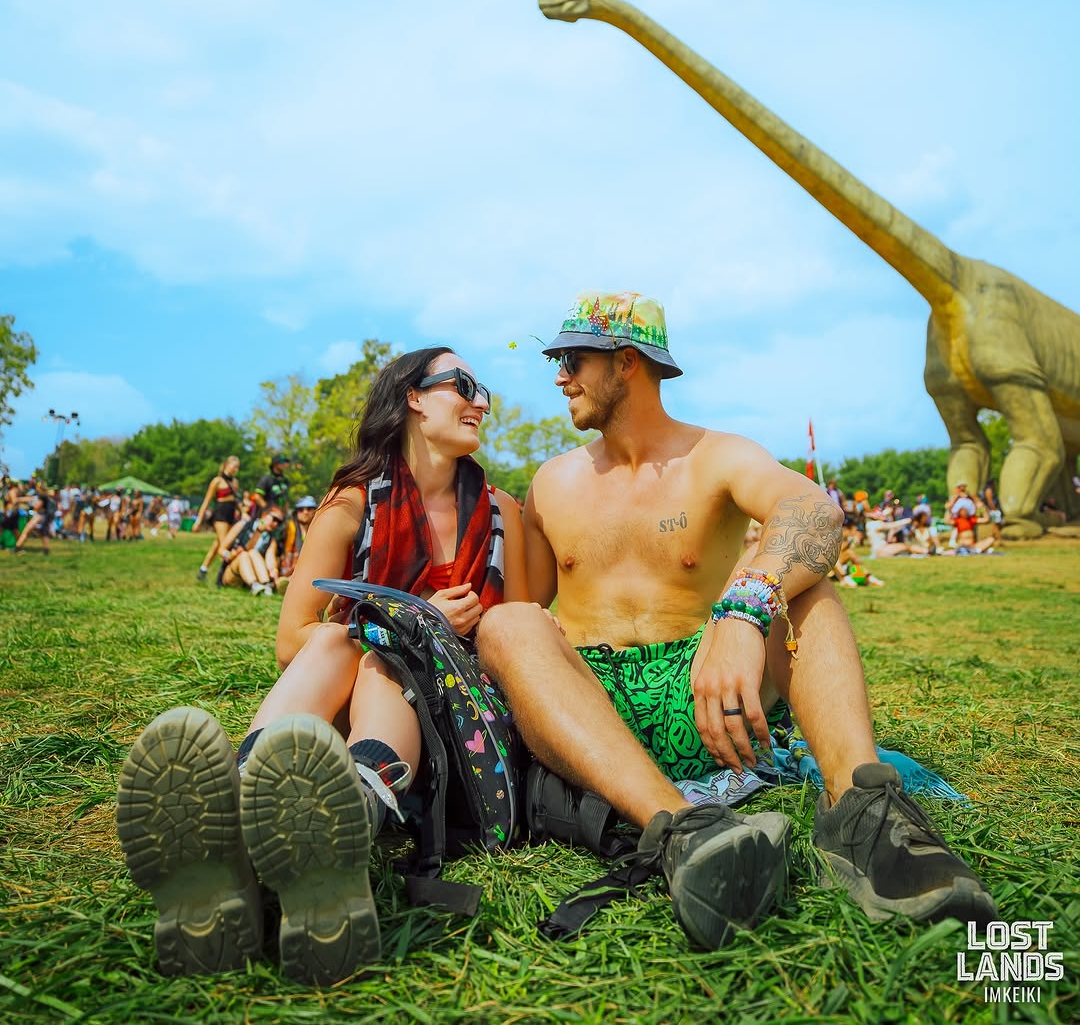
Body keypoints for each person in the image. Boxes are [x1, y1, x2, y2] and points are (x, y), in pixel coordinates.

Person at [476, 290, 996, 951]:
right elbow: (526, 617)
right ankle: (681, 829)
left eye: (572, 359)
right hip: (594, 721)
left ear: (627, 361)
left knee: (805, 586)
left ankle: (865, 817)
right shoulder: (551, 482)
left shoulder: (716, 456)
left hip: (712, 701)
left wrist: (742, 610)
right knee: (508, 625)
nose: (559, 376)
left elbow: (814, 511)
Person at [116, 347, 526, 984]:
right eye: (464, 385)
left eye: (483, 391)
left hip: (460, 725)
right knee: (338, 642)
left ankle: (332, 813)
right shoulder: (352, 502)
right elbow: (293, 638)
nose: (482, 402)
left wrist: (422, 633)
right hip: (350, 709)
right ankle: (247, 809)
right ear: (413, 398)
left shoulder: (503, 512)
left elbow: (515, 634)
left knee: (385, 662)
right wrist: (411, 617)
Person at [193, 456, 241, 581]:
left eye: (237, 467)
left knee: (218, 544)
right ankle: (222, 576)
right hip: (220, 514)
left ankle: (203, 569)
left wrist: (242, 512)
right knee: (225, 544)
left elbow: (235, 500)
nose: (236, 469)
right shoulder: (217, 481)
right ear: (226, 465)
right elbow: (206, 501)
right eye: (234, 466)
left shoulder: (235, 482)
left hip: (231, 514)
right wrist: (199, 520)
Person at [276, 495, 317, 587]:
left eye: (309, 509)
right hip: (288, 567)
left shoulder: (319, 530)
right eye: (301, 509)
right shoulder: (287, 528)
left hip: (309, 568)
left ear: (315, 511)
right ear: (296, 512)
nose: (305, 512)